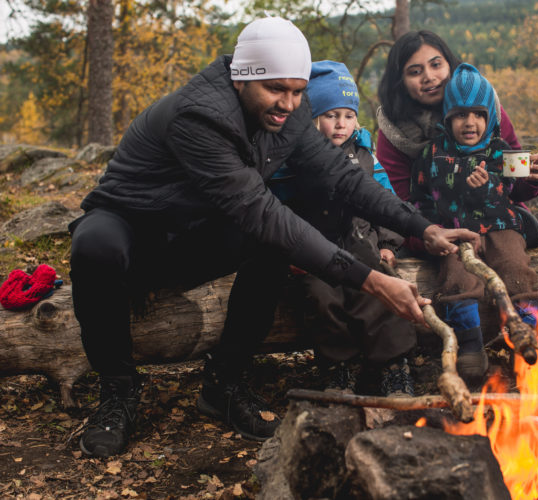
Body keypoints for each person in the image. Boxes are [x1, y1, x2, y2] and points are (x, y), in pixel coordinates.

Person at [68, 16, 481, 458]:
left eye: (298, 91)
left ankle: (224, 384)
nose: (288, 103)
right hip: (135, 229)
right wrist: (375, 281)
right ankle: (118, 391)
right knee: (95, 245)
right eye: (276, 89)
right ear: (242, 78)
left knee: (269, 245)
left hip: (195, 234)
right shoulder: (200, 116)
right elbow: (259, 211)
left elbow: (344, 177)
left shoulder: (290, 113)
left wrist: (422, 226)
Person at [279, 60, 417, 396]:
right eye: (331, 115)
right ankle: (338, 368)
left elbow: (387, 201)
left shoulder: (366, 155)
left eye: (348, 115)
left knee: (383, 294)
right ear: (313, 117)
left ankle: (393, 366)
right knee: (322, 300)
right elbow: (277, 209)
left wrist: (388, 243)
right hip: (315, 254)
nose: (341, 124)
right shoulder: (294, 158)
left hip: (362, 247)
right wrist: (287, 253)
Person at [410, 63, 538, 380]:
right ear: (447, 118)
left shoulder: (501, 152)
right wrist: (432, 230)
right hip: (456, 231)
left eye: (478, 115)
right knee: (456, 277)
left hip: (502, 227)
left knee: (516, 268)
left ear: (489, 118)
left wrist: (529, 178)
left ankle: (524, 337)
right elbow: (419, 198)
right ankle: (470, 346)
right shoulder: (431, 154)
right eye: (460, 115)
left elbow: (519, 190)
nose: (470, 123)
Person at [376, 30, 538, 251]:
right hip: (436, 234)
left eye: (436, 65)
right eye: (415, 71)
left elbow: (516, 182)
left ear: (450, 64)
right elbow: (398, 205)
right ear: (400, 82)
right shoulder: (394, 132)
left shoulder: (485, 107)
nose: (429, 76)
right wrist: (431, 237)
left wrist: (533, 177)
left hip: (498, 224)